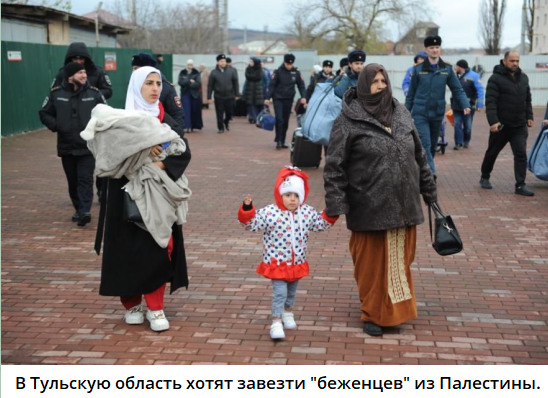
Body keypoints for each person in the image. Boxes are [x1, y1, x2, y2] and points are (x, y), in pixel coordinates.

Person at [324, 63, 437, 336]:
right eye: (375, 82)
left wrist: (428, 189)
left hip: (404, 202)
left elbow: (419, 155)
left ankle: (395, 311)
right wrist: (336, 205)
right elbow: (334, 166)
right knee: (373, 265)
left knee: (399, 261)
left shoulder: (402, 114)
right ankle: (373, 313)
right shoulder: (348, 120)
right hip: (369, 205)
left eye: (383, 81)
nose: (380, 87)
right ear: (364, 85)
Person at [89, 66, 192, 332]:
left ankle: (155, 308)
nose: (155, 88)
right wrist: (143, 155)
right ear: (137, 86)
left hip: (158, 196)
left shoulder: (165, 118)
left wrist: (159, 164)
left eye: (158, 83)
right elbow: (108, 156)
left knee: (158, 248)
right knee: (126, 251)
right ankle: (132, 305)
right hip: (124, 195)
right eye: (148, 83)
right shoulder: (120, 120)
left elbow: (182, 151)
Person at [238, 167, 338, 339]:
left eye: (296, 195)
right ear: (280, 195)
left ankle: (288, 312)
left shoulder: (306, 213)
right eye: (288, 195)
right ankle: (276, 322)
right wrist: (247, 210)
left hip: (297, 262)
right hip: (277, 262)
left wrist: (331, 213)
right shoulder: (270, 212)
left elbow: (320, 224)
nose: (292, 199)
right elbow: (251, 224)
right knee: (280, 293)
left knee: (291, 292)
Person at [39, 62, 106, 226]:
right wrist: (57, 125)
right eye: (80, 73)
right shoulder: (56, 94)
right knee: (73, 181)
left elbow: (105, 112)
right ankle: (79, 209)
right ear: (70, 76)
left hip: (87, 147)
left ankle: (85, 211)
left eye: (85, 72)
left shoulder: (94, 93)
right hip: (67, 146)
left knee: (85, 179)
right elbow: (44, 112)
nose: (84, 75)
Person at [405, 35, 470, 177]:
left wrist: (465, 104)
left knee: (433, 145)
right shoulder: (418, 70)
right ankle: (430, 173)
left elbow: (457, 89)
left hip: (437, 112)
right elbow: (411, 94)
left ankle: (424, 167)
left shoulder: (446, 69)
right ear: (426, 49)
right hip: (420, 112)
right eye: (431, 48)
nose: (435, 50)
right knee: (425, 144)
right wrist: (405, 113)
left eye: (437, 47)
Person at [480, 51, 535, 196]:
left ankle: (520, 185)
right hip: (501, 125)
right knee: (492, 152)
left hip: (519, 125)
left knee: (521, 154)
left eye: (517, 60)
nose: (515, 63)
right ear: (504, 61)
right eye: (512, 61)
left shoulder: (524, 78)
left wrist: (529, 116)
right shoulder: (495, 79)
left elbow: (527, 99)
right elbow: (490, 102)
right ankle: (485, 176)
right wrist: (493, 121)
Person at [264, 53, 306, 149]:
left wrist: (304, 96)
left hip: (289, 99)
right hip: (278, 98)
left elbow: (301, 85)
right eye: (287, 64)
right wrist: (267, 98)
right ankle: (278, 141)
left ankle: (282, 140)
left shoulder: (296, 72)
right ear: (284, 62)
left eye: (291, 64)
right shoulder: (278, 72)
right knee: (280, 119)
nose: (289, 66)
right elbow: (272, 85)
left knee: (286, 121)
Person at [132, 53, 185, 128]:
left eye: (137, 68)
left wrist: (171, 135)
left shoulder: (167, 88)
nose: (134, 72)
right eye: (134, 68)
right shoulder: (134, 86)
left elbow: (178, 114)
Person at [451, 59, 484, 150]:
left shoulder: (474, 76)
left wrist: (480, 104)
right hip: (456, 105)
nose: (455, 67)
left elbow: (480, 90)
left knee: (467, 126)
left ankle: (466, 141)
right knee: (457, 124)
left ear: (460, 67)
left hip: (469, 105)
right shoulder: (454, 75)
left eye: (456, 66)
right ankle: (458, 143)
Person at [207, 54, 240, 133]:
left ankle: (226, 120)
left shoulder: (231, 71)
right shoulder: (214, 72)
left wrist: (237, 94)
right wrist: (209, 97)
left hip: (230, 95)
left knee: (230, 112)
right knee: (219, 113)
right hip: (219, 96)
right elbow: (210, 85)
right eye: (221, 61)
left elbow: (235, 83)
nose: (223, 63)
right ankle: (220, 127)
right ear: (218, 62)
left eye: (224, 61)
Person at [178, 59, 203, 132]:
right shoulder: (182, 72)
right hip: (185, 93)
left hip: (194, 94)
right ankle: (187, 126)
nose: (190, 66)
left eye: (191, 65)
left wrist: (188, 84)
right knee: (186, 109)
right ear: (186, 65)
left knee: (193, 110)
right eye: (189, 65)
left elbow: (198, 84)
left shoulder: (196, 72)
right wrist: (189, 81)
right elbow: (180, 82)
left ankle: (192, 125)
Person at [242, 57, 264, 124]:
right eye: (250, 62)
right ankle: (252, 117)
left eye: (252, 62)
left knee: (257, 104)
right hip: (249, 89)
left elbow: (258, 77)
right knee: (250, 104)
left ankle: (257, 117)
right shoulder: (248, 69)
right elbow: (247, 76)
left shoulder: (259, 69)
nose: (250, 63)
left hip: (257, 90)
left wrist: (252, 77)